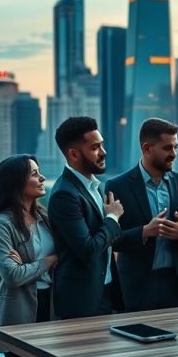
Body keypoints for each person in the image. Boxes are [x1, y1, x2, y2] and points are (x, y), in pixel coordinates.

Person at [0, 155, 60, 357]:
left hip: (50, 306)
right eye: (34, 174)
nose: (42, 177)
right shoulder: (0, 224)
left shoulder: (44, 216)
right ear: (15, 183)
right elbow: (12, 276)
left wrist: (28, 265)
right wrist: (48, 261)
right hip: (17, 311)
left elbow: (66, 254)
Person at [108, 118, 178, 311]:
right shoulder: (118, 186)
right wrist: (144, 232)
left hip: (177, 285)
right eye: (167, 148)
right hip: (136, 286)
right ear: (147, 148)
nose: (174, 154)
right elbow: (111, 240)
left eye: (176, 147)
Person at [48, 116, 125, 319]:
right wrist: (113, 217)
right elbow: (87, 250)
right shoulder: (65, 194)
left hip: (107, 291)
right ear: (74, 154)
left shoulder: (96, 186)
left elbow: (107, 240)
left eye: (102, 145)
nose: (104, 152)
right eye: (95, 148)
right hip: (81, 301)